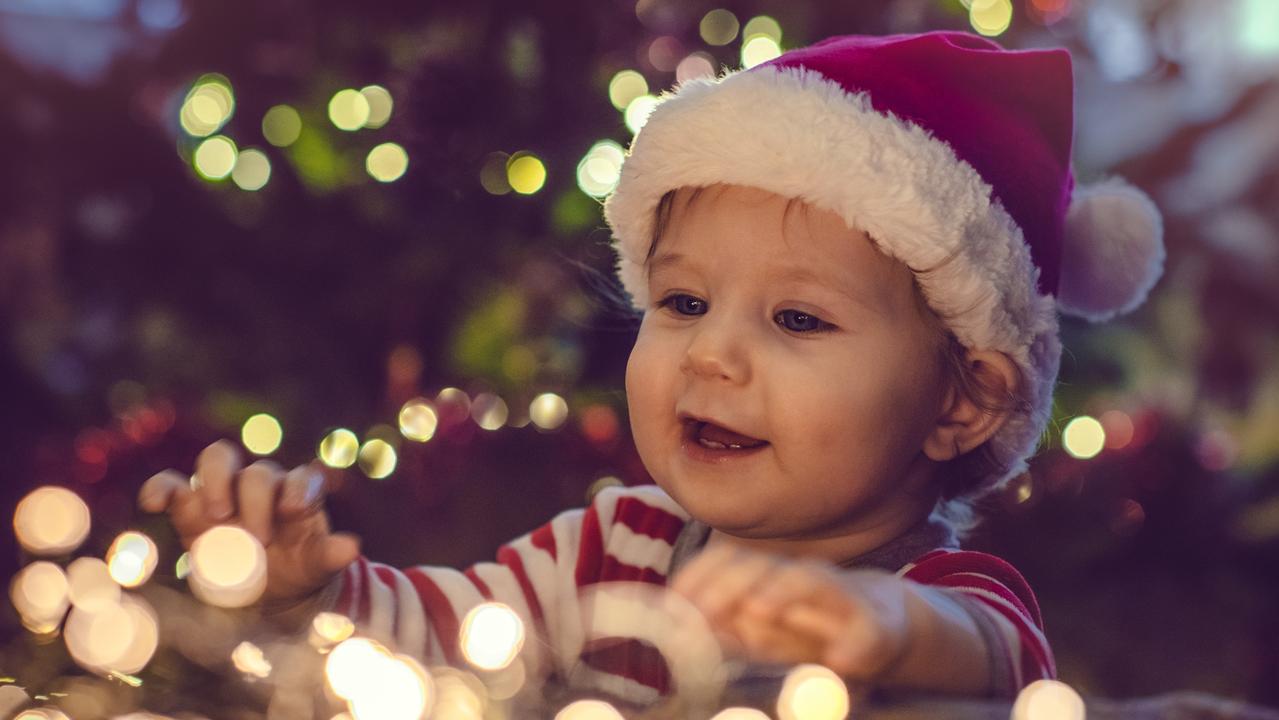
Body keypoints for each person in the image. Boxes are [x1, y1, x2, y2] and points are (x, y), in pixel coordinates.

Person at [139, 31, 1165, 704]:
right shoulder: (612, 549)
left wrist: (886, 625)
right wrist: (301, 592)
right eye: (680, 303)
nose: (710, 352)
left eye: (798, 318)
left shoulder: (950, 590)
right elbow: (435, 646)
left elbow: (987, 655)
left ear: (962, 400)